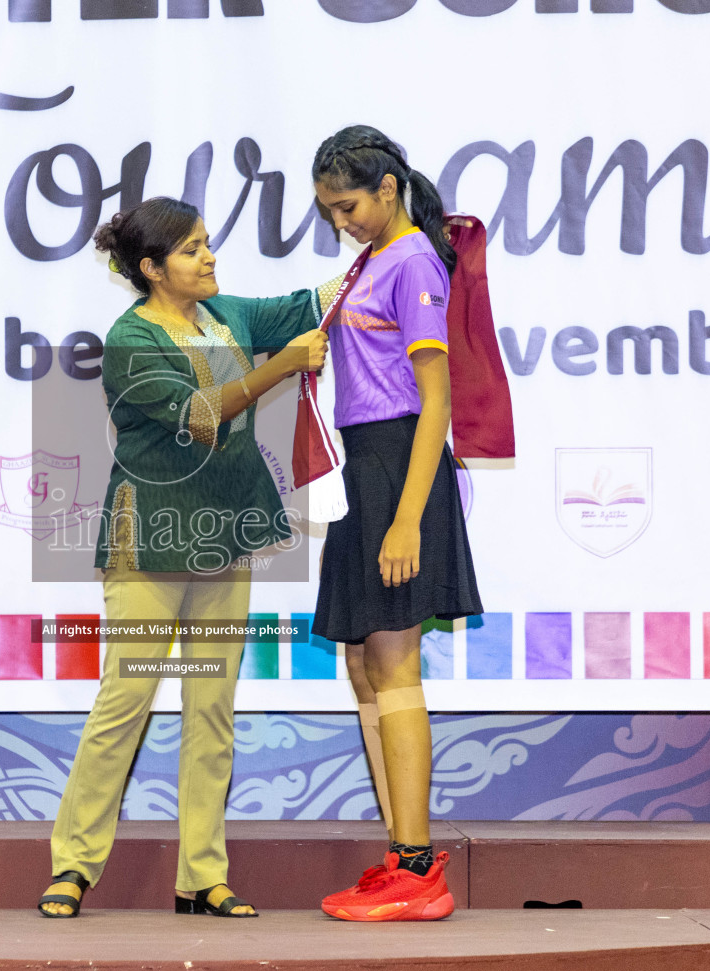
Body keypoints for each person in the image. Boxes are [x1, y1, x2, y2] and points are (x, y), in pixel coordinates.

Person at [38, 197, 329, 919]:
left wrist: (388, 247)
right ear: (151, 269)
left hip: (222, 535)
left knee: (212, 708)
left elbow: (310, 303)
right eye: (193, 249)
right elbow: (204, 416)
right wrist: (281, 368)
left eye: (207, 245)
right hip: (151, 544)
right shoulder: (130, 341)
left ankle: (203, 875)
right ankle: (73, 866)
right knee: (126, 703)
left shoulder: (226, 314)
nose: (209, 258)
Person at [308, 126, 484, 922]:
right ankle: (400, 856)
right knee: (363, 665)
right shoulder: (371, 260)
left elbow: (435, 399)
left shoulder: (412, 259)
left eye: (347, 205)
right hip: (365, 468)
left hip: (399, 468)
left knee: (395, 662)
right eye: (327, 210)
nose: (340, 219)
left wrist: (408, 517)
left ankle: (418, 871)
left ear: (387, 188)